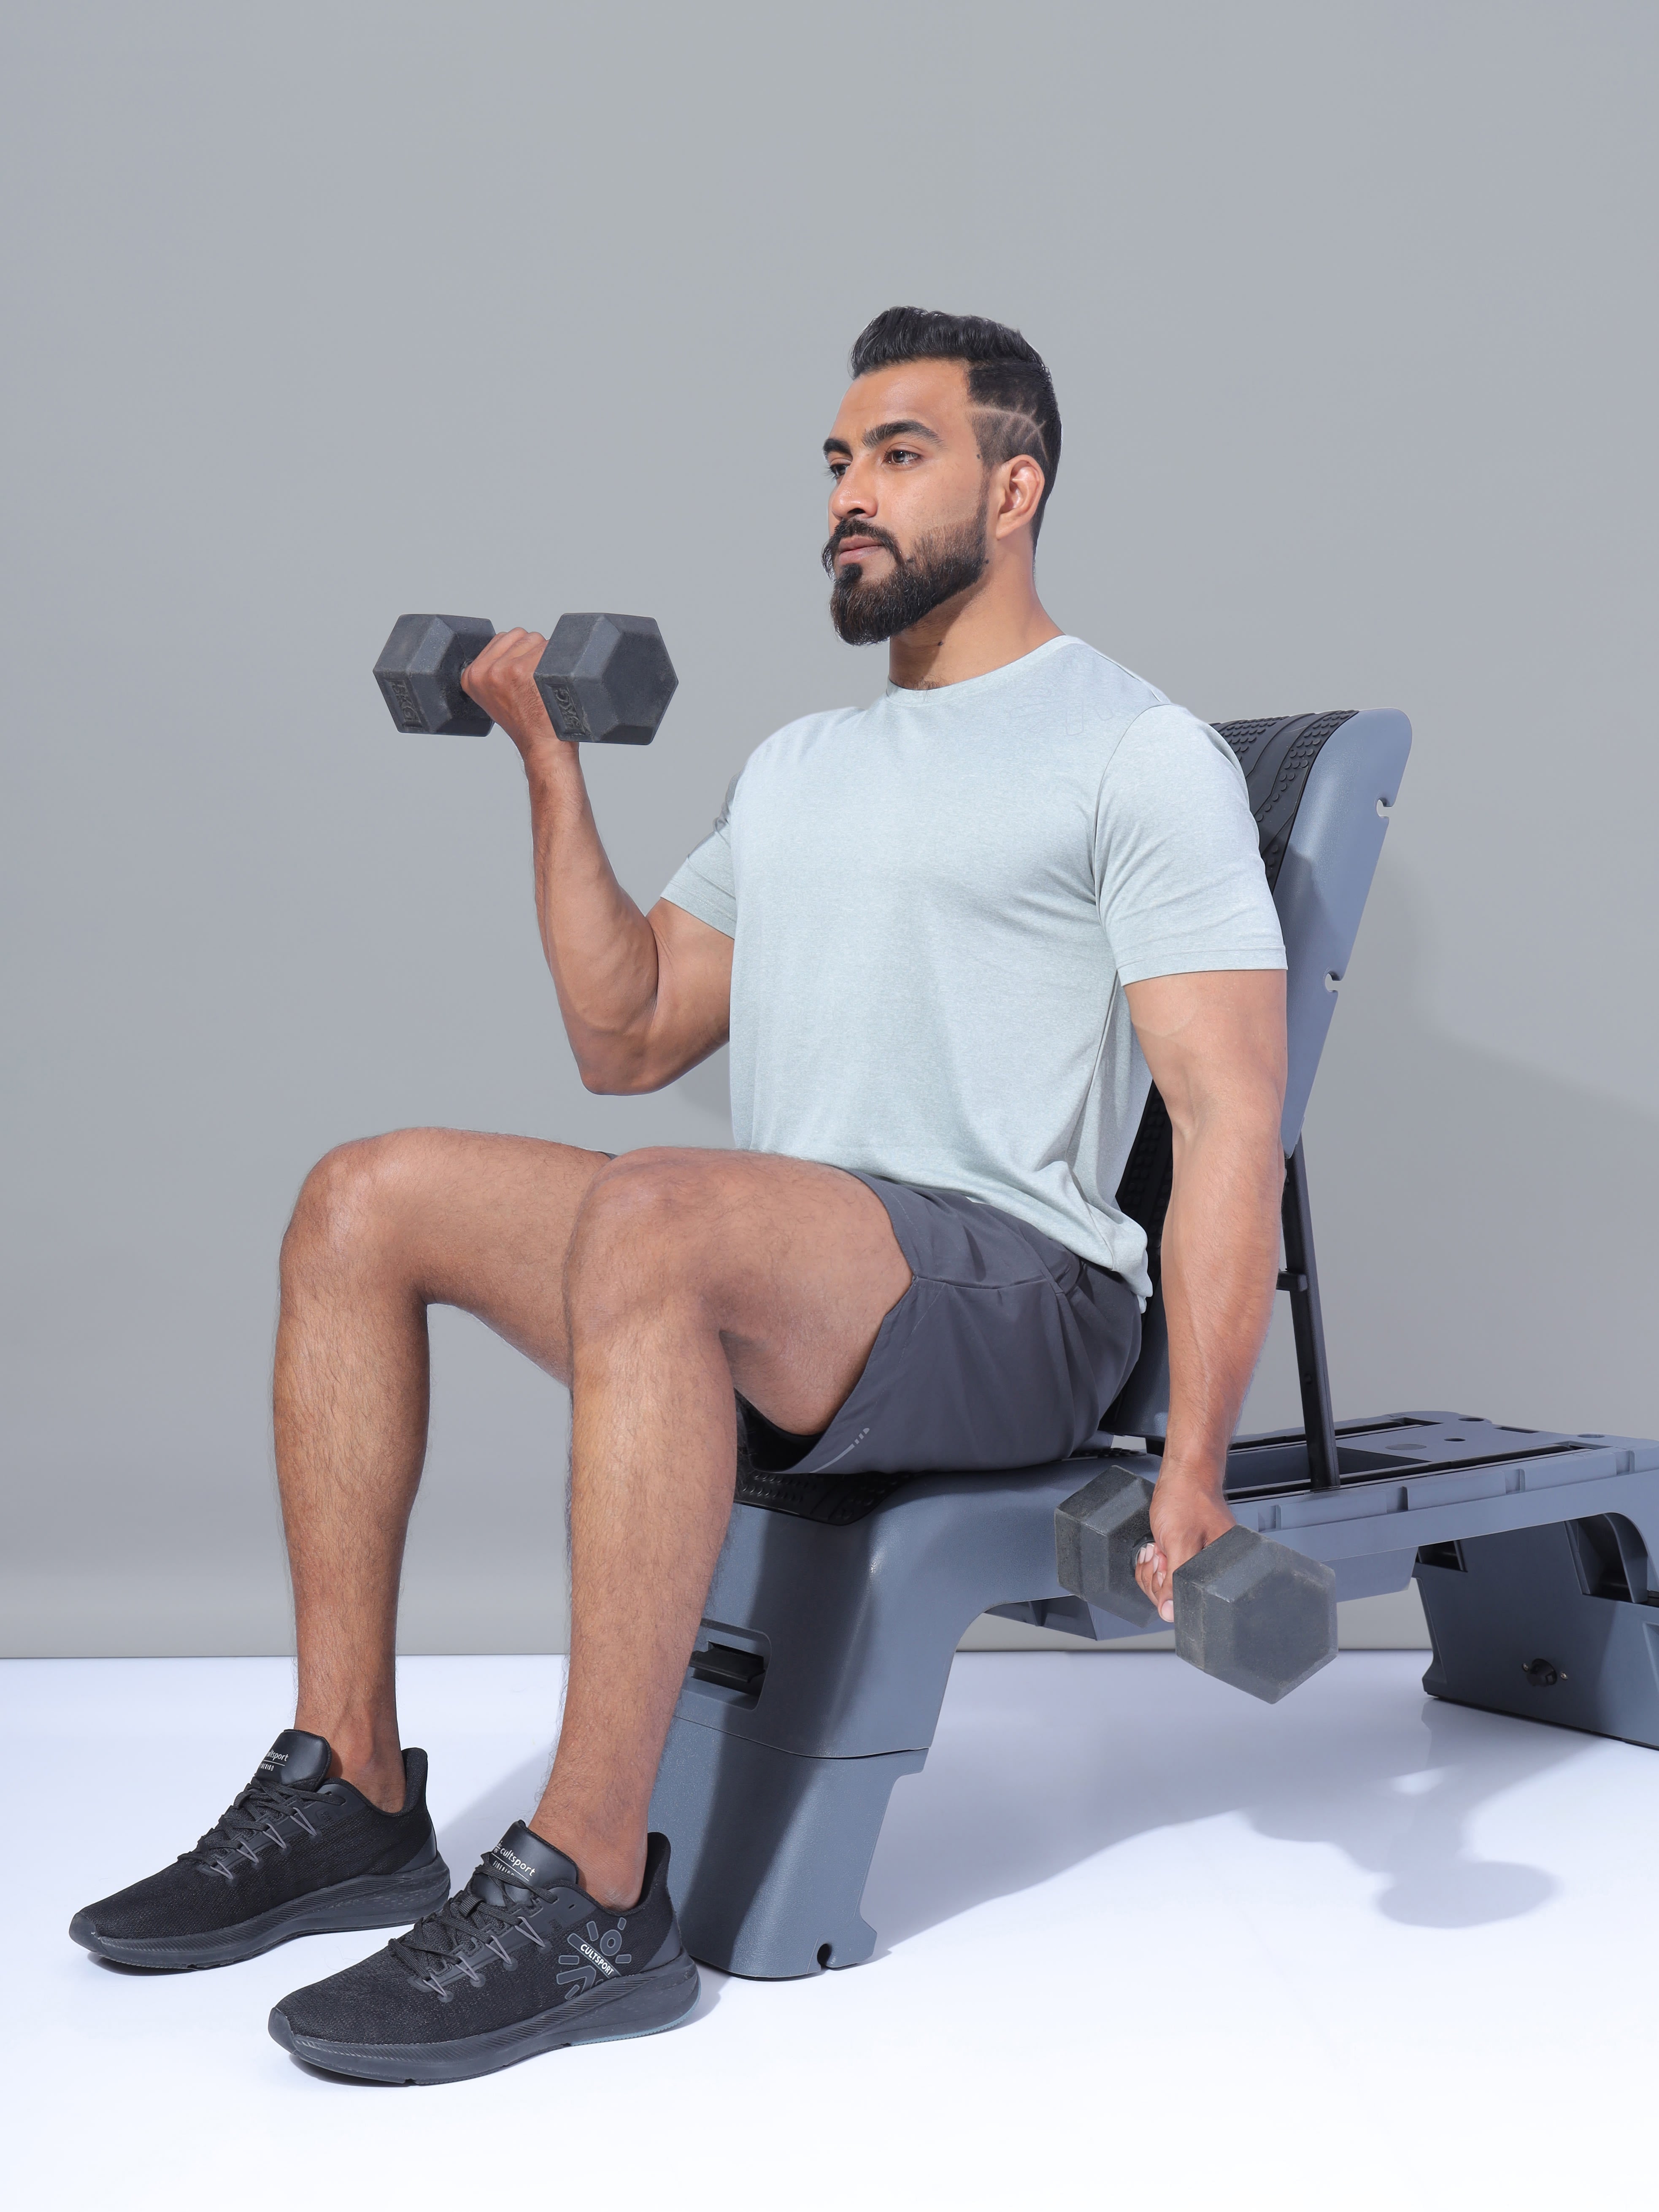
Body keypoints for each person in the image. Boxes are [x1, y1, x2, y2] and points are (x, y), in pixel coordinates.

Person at [70, 307, 1288, 2084]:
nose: (849, 495)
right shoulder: (800, 768)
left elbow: (1230, 1123)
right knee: (362, 1196)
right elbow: (626, 1030)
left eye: (899, 456)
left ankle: (588, 1888)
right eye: (837, 462)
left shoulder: (1133, 752)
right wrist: (548, 772)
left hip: (1017, 1294)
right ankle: (349, 1789)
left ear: (1014, 488)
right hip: (796, 1262)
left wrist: (1194, 1469)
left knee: (658, 1212)